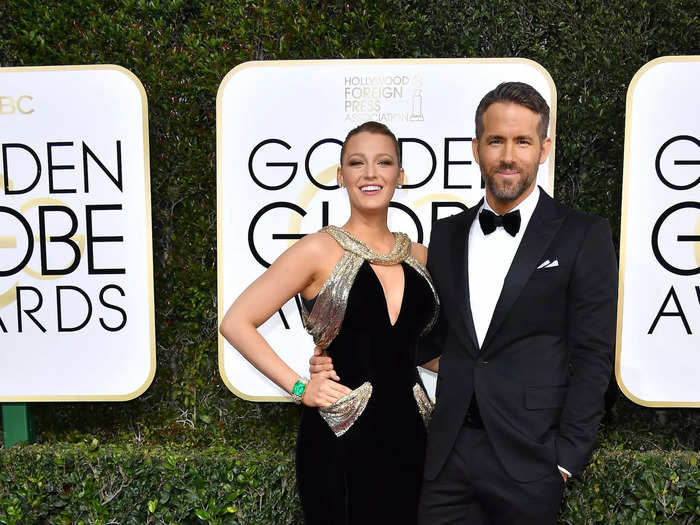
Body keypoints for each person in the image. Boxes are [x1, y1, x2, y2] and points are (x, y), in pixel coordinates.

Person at [311, 82, 617, 524]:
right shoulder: (448, 234)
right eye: (496, 141)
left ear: (544, 148)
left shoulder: (582, 234)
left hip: (530, 460)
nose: (508, 156)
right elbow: (419, 334)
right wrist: (331, 355)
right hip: (447, 457)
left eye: (522, 141)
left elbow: (593, 356)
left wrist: (566, 458)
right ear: (476, 148)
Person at [220, 121, 439, 524]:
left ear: (400, 175)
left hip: (413, 437)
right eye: (357, 163)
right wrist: (300, 387)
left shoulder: (423, 257)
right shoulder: (318, 250)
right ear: (341, 177)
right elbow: (236, 321)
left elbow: (425, 349)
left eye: (384, 162)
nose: (371, 173)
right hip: (340, 437)